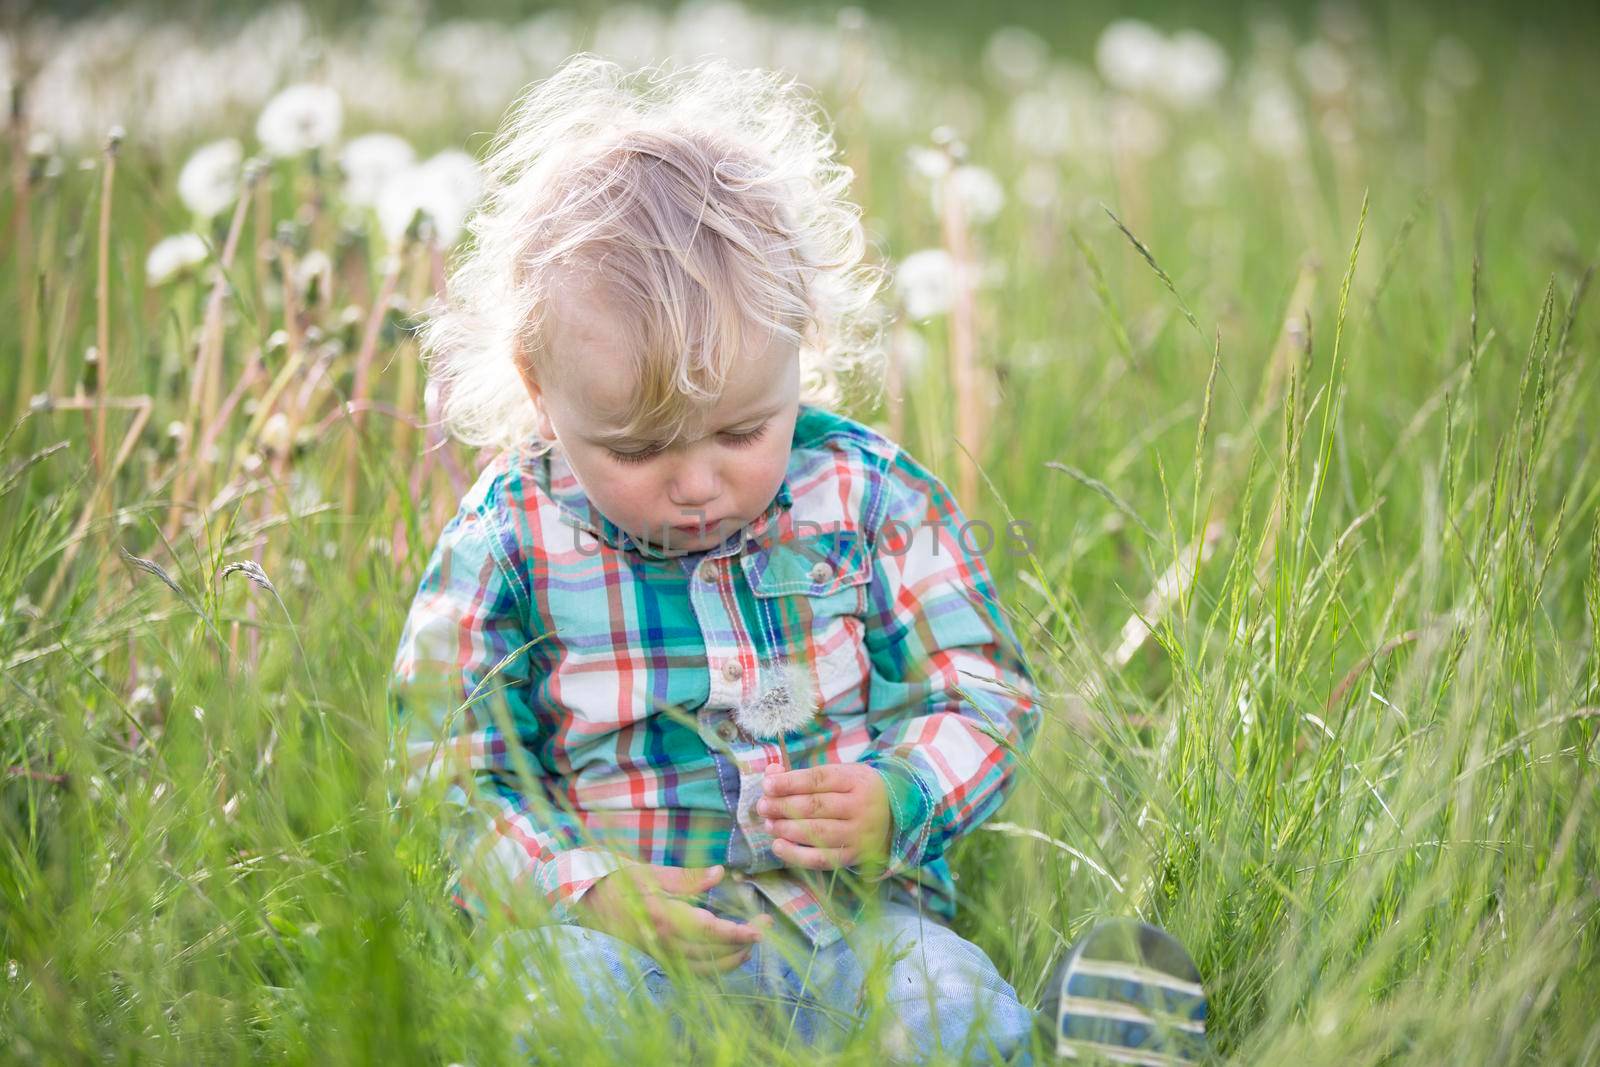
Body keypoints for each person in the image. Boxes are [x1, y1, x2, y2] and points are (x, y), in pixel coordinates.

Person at [387, 53, 1203, 1065]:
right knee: (555, 1020)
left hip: (850, 931)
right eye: (638, 450)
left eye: (739, 432)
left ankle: (1047, 1046)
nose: (695, 484)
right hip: (617, 944)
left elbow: (983, 688)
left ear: (800, 342)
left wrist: (902, 796)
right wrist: (584, 885)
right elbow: (443, 774)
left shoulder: (864, 495)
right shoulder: (506, 540)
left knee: (949, 1012)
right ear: (539, 388)